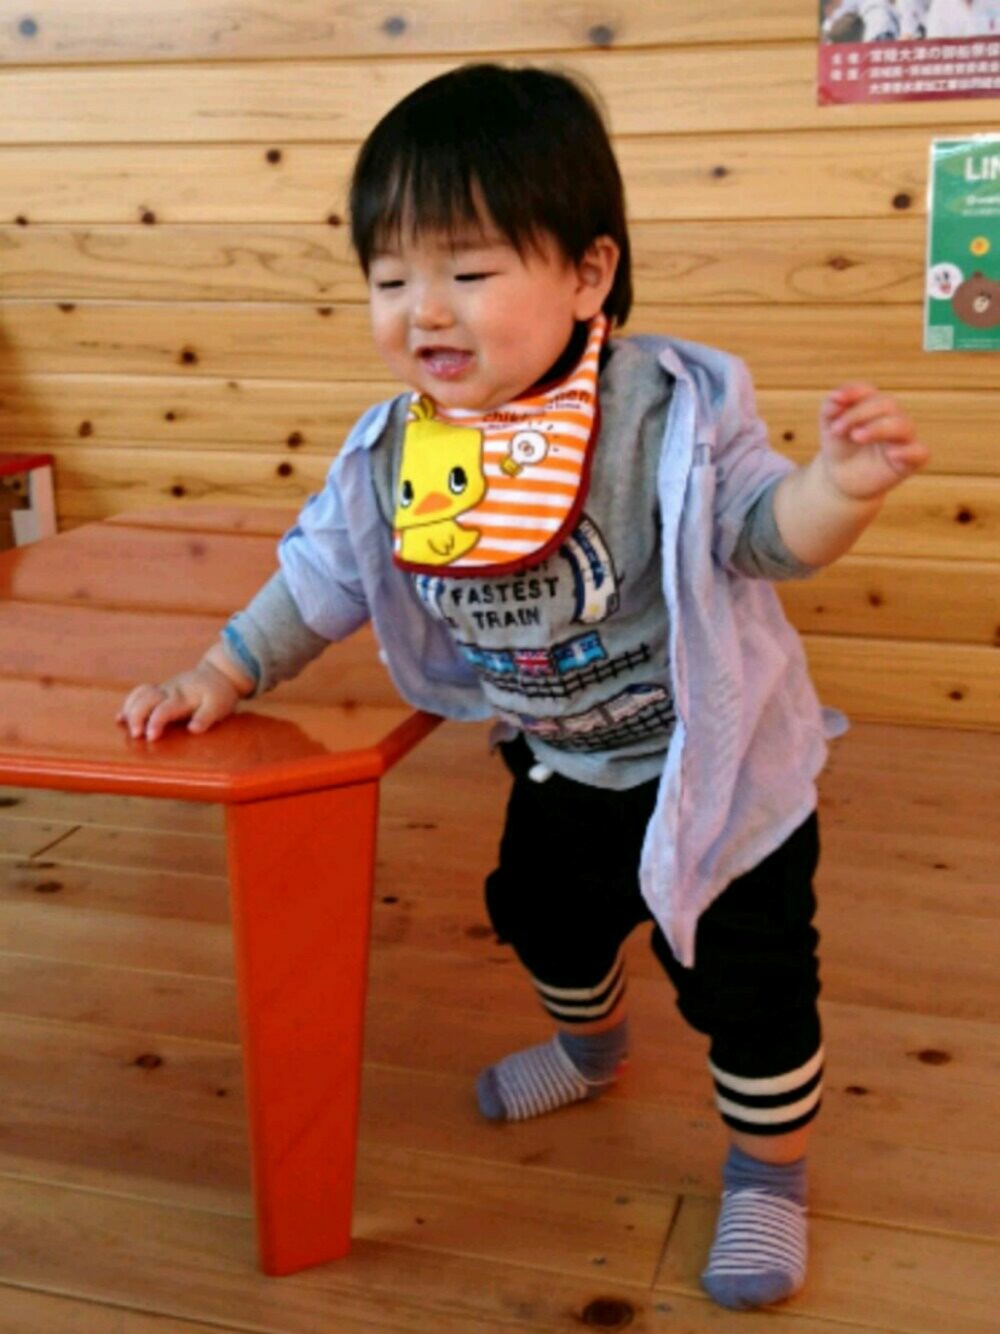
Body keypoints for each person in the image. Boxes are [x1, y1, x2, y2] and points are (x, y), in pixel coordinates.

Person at [117, 64, 929, 1311]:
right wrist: (222, 668)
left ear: (589, 273)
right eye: (391, 279)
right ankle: (591, 1047)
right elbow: (323, 574)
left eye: (468, 270)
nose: (424, 310)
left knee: (752, 987)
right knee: (545, 924)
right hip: (557, 761)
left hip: (716, 774)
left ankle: (768, 1173)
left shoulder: (666, 413)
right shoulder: (396, 450)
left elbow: (765, 534)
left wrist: (839, 488)